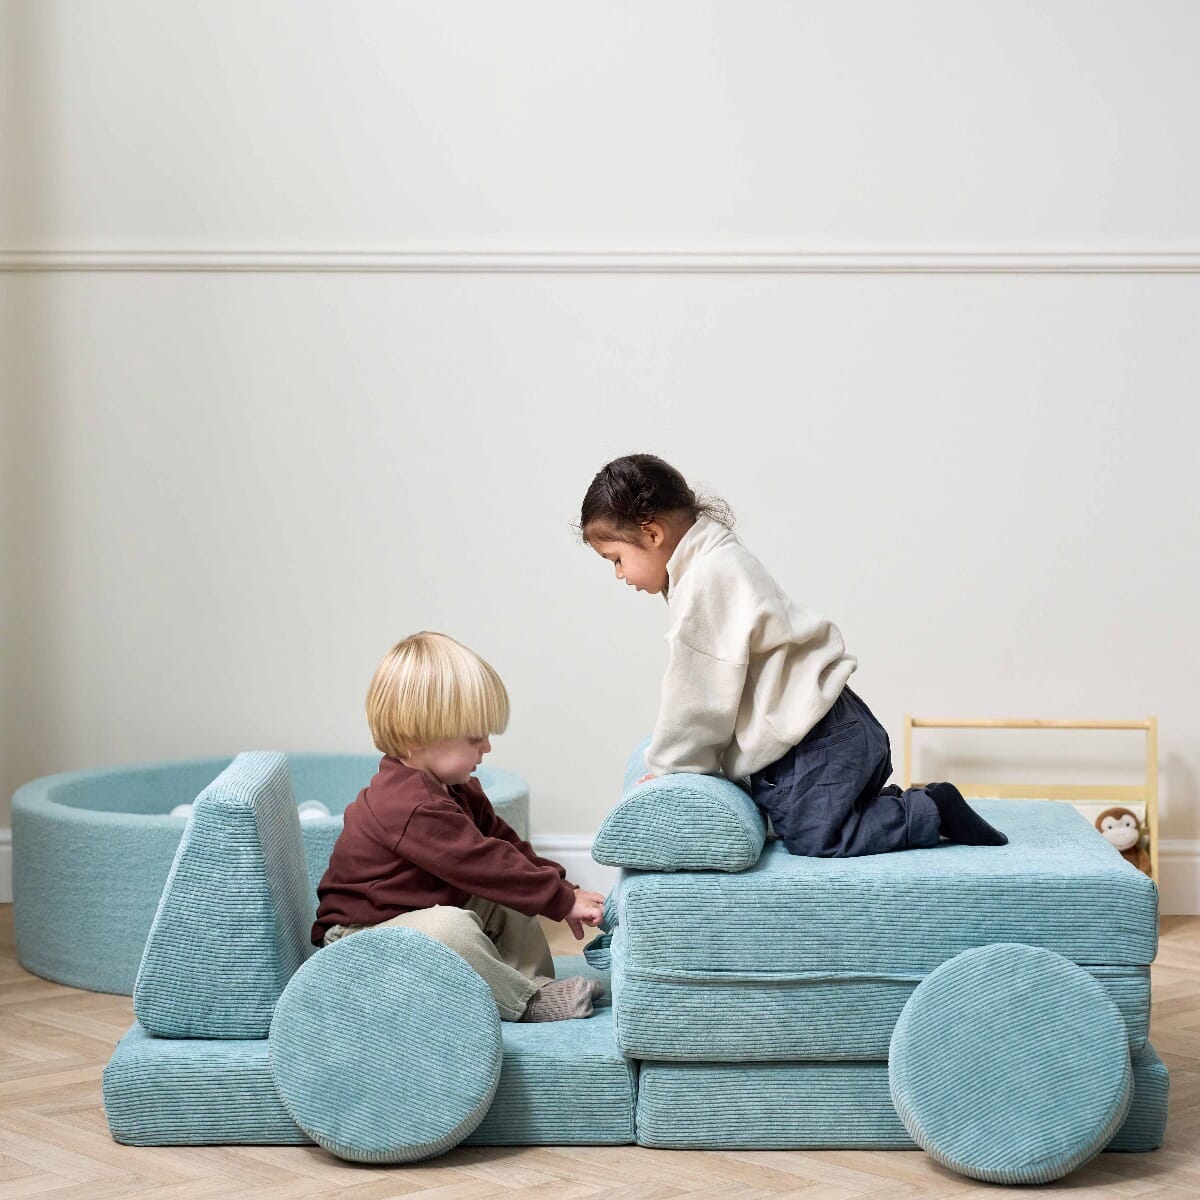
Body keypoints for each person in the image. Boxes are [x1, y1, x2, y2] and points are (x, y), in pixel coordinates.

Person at [578, 453, 1008, 858]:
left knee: (817, 836)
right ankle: (884, 806)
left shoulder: (706, 579)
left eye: (616, 559)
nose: (618, 574)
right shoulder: (713, 559)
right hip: (825, 729)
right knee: (791, 815)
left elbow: (697, 693)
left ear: (652, 534)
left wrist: (673, 771)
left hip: (818, 738)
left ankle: (933, 810)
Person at [312, 631, 607, 1021]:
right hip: (359, 943)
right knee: (451, 925)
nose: (487, 747)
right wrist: (561, 899)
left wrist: (563, 890)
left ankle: (537, 987)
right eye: (474, 737)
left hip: (406, 918)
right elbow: (482, 862)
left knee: (510, 896)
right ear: (419, 735)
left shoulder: (455, 789)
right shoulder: (408, 805)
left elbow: (502, 846)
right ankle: (525, 1003)